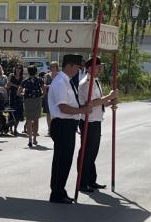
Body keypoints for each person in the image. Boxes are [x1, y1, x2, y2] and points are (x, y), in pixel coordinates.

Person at [46, 54, 98, 204]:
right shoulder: (60, 82)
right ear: (69, 65)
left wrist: (82, 108)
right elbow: (63, 107)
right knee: (62, 160)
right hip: (62, 124)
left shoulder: (66, 81)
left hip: (67, 124)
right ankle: (57, 193)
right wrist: (82, 110)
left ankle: (60, 191)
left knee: (65, 160)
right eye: (77, 67)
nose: (78, 70)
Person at [77, 56, 117, 192]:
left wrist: (110, 102)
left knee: (92, 153)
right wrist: (109, 97)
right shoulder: (86, 83)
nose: (100, 69)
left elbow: (99, 102)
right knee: (86, 153)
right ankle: (82, 182)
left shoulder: (95, 81)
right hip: (88, 121)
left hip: (96, 120)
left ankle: (91, 180)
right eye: (98, 67)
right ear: (90, 68)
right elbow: (91, 103)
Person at [20, 65, 44, 147]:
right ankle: (34, 138)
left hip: (28, 101)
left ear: (28, 72)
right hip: (37, 100)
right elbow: (44, 90)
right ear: (36, 72)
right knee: (36, 120)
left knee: (29, 120)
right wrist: (40, 95)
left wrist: (24, 94)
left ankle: (30, 139)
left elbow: (18, 92)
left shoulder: (25, 81)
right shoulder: (40, 80)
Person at [6, 64, 24, 136]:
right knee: (12, 112)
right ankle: (10, 129)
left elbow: (21, 87)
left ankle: (15, 129)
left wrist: (13, 84)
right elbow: (8, 84)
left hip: (19, 96)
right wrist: (17, 86)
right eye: (17, 68)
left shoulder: (22, 77)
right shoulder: (11, 75)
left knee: (19, 112)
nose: (18, 69)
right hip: (12, 95)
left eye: (19, 68)